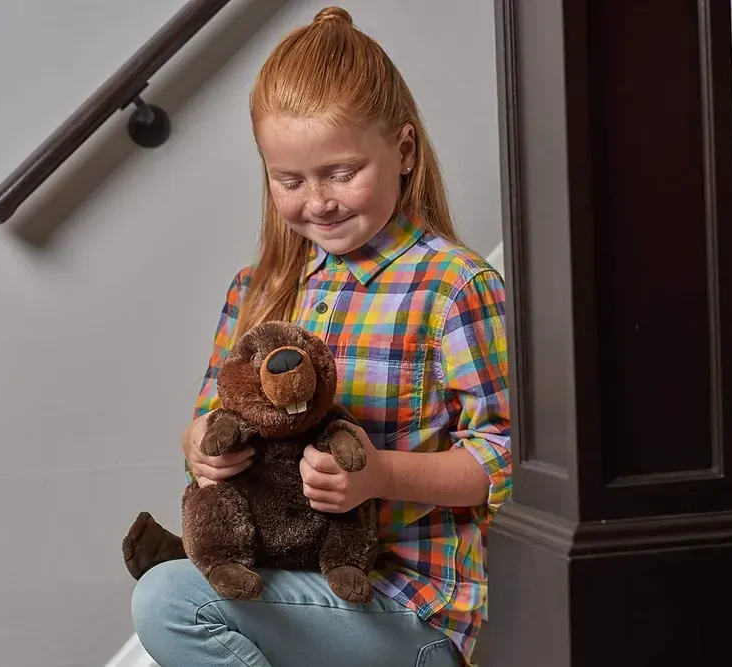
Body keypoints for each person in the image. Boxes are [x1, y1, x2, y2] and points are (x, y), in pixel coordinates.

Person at [131, 7, 510, 667]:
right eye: (290, 180)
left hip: (406, 609)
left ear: (404, 151)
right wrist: (202, 449)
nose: (319, 200)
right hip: (287, 586)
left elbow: (502, 459)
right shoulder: (258, 288)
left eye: (341, 172)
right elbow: (210, 422)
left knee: (169, 601)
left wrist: (379, 474)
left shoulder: (454, 286)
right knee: (173, 590)